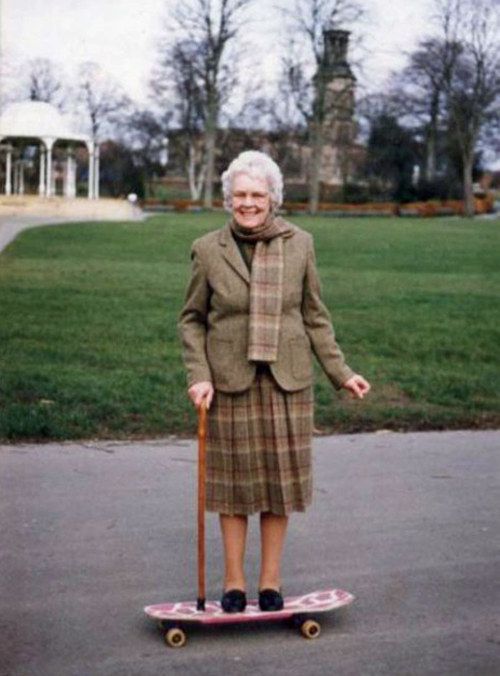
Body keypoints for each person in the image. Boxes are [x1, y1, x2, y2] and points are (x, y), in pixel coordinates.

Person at [179, 150, 370, 614]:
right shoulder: (209, 249)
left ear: (273, 198)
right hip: (229, 380)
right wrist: (199, 376)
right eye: (240, 195)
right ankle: (233, 583)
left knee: (278, 488)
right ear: (228, 199)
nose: (248, 203)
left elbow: (314, 318)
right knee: (233, 488)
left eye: (257, 195)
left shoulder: (300, 244)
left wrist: (342, 374)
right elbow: (192, 320)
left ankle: (269, 583)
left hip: (288, 381)